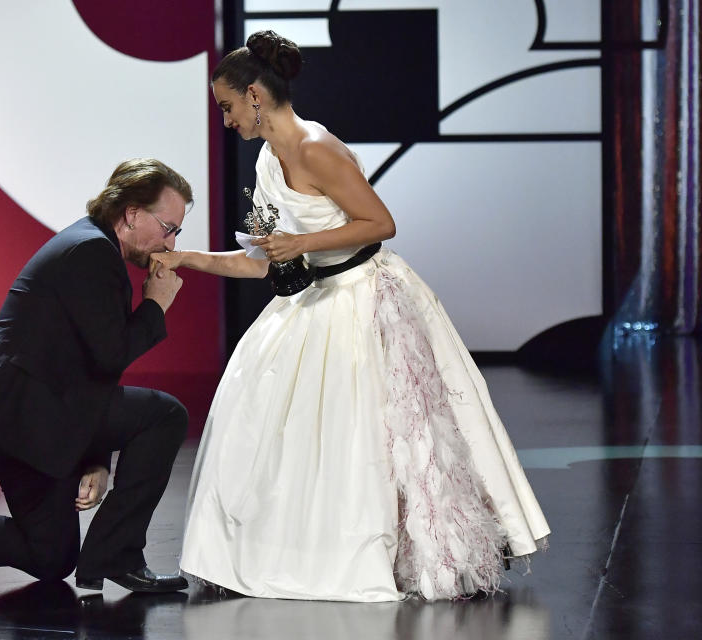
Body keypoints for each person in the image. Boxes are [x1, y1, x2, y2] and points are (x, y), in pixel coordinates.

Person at [153, 31, 550, 602]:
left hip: (363, 297)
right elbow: (265, 260)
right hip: (310, 302)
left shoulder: (316, 148)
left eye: (227, 106)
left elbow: (380, 223)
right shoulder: (269, 159)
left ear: (256, 96)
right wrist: (188, 257)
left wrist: (301, 243)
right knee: (262, 415)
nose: (225, 119)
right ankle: (276, 553)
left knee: (375, 435)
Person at [0, 158, 192, 593]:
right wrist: (155, 304)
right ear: (132, 213)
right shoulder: (91, 253)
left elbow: (88, 369)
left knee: (51, 555)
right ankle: (118, 555)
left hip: (23, 414)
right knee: (165, 415)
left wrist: (95, 458)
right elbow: (109, 355)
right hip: (25, 413)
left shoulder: (94, 246)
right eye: (168, 227)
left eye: (176, 232)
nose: (170, 242)